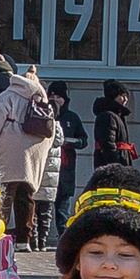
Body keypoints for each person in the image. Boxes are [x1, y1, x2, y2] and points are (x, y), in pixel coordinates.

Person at [0, 65, 56, 246]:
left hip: (6, 154)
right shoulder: (43, 101)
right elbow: (50, 132)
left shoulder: (6, 97)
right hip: (33, 156)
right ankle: (24, 240)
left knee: (3, 197)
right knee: (26, 198)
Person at [50, 82, 88, 223]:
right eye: (52, 96)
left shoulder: (72, 117)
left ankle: (64, 239)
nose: (55, 100)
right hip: (46, 169)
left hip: (66, 168)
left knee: (63, 210)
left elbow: (84, 140)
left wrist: (73, 142)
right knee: (41, 209)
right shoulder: (43, 116)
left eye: (58, 96)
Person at [94, 79, 135, 172]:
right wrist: (115, 165)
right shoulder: (108, 116)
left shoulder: (118, 116)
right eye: (121, 96)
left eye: (126, 96)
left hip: (121, 159)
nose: (125, 99)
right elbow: (107, 143)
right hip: (111, 165)